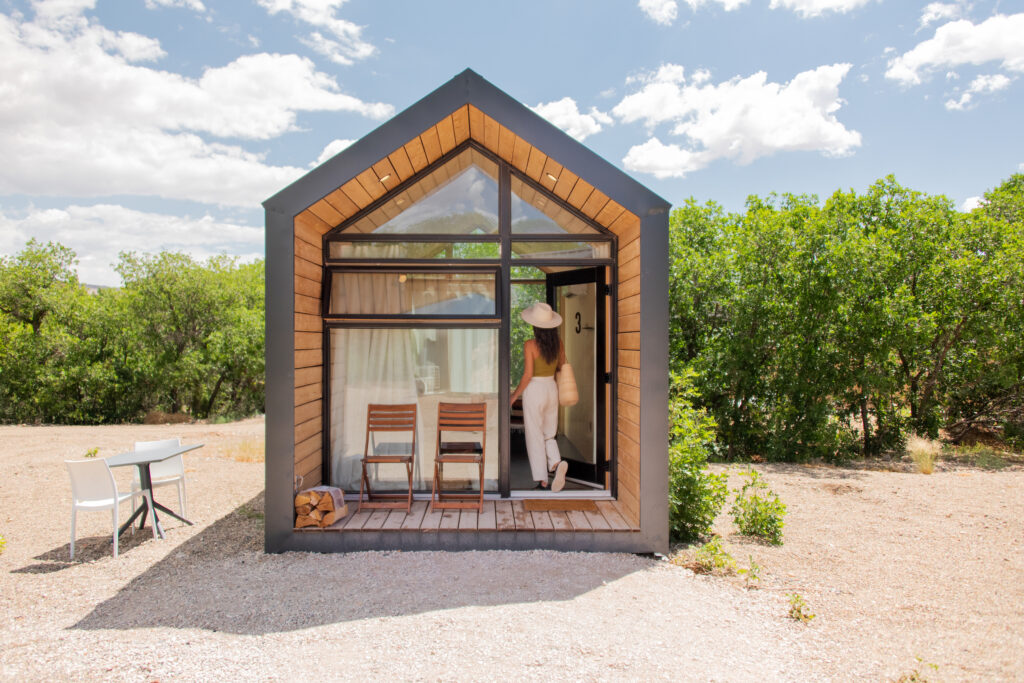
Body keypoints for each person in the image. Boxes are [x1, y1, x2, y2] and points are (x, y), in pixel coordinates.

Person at [510, 302, 569, 492]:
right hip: (551, 387)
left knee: (535, 435)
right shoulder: (558, 344)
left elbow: (527, 375)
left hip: (535, 389)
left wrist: (513, 396)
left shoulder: (530, 345)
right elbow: (562, 366)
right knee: (549, 433)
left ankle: (542, 480)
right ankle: (556, 463)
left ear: (535, 325)